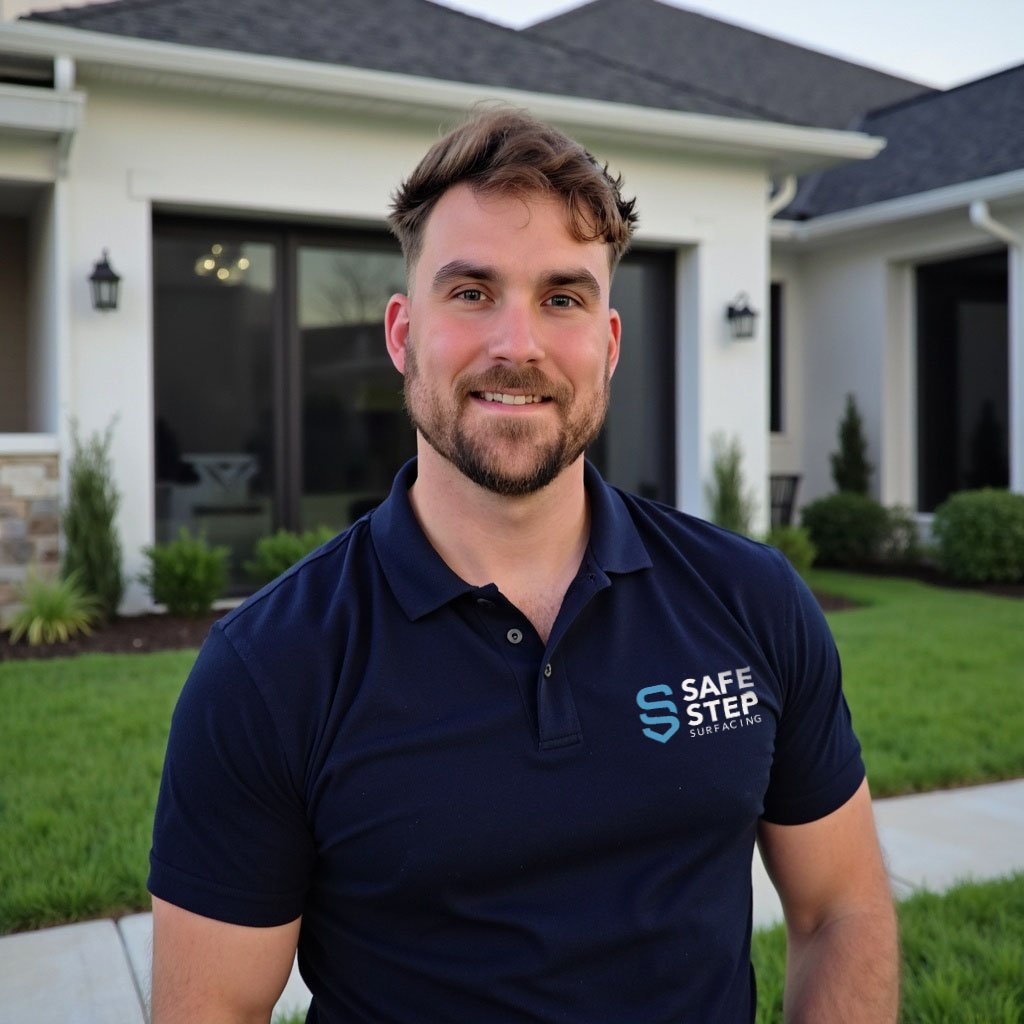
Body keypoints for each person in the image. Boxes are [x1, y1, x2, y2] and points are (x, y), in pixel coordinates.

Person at [149, 108, 899, 1023]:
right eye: (471, 292)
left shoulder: (751, 600)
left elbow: (841, 908)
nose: (518, 345)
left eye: (562, 298)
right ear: (402, 334)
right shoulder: (271, 669)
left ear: (609, 344)